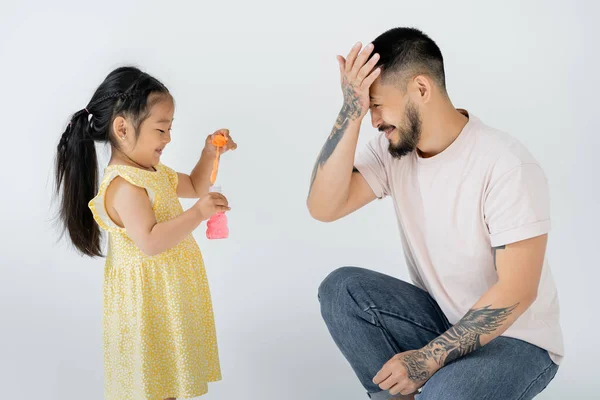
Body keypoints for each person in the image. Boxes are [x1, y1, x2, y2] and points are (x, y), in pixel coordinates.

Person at [307, 27, 563, 400]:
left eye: (376, 104)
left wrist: (427, 359)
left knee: (445, 395)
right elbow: (323, 207)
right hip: (445, 320)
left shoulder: (505, 164)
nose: (373, 119)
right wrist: (350, 112)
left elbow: (517, 291)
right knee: (342, 289)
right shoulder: (394, 151)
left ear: (421, 90)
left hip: (518, 340)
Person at [54, 66, 236, 400]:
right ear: (122, 128)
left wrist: (210, 151)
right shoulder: (125, 186)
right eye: (161, 129)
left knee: (169, 385)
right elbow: (150, 242)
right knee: (154, 388)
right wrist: (198, 214)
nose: (167, 138)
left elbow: (196, 185)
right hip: (146, 307)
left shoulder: (154, 173)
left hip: (167, 296)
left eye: (169, 128)